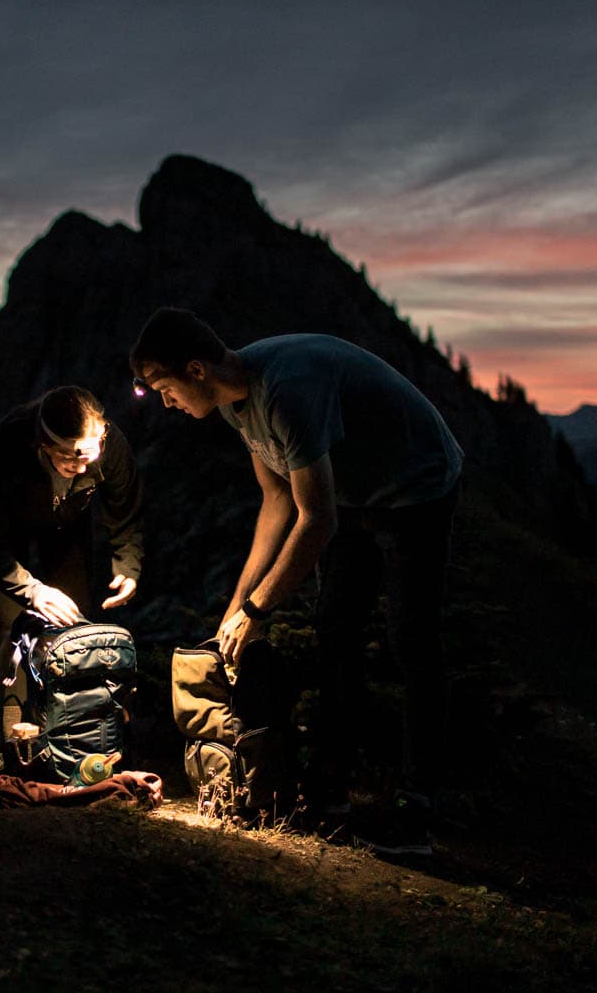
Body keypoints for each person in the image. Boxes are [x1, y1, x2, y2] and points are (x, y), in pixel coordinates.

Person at [129, 307, 463, 814]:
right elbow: (277, 500)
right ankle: (332, 785)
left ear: (196, 369)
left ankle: (420, 797)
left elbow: (316, 521)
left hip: (416, 486)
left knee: (411, 639)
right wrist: (238, 606)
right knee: (334, 629)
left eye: (162, 387)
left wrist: (259, 609)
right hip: (352, 497)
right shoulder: (233, 404)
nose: (165, 401)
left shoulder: (285, 390)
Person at [0, 386, 142, 744]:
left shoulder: (109, 446)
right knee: (13, 627)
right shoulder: (7, 448)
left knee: (71, 625)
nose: (82, 468)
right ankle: (13, 739)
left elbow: (124, 510)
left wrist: (127, 564)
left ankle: (71, 734)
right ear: (45, 447)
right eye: (71, 460)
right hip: (9, 527)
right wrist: (33, 590)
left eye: (89, 459)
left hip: (68, 522)